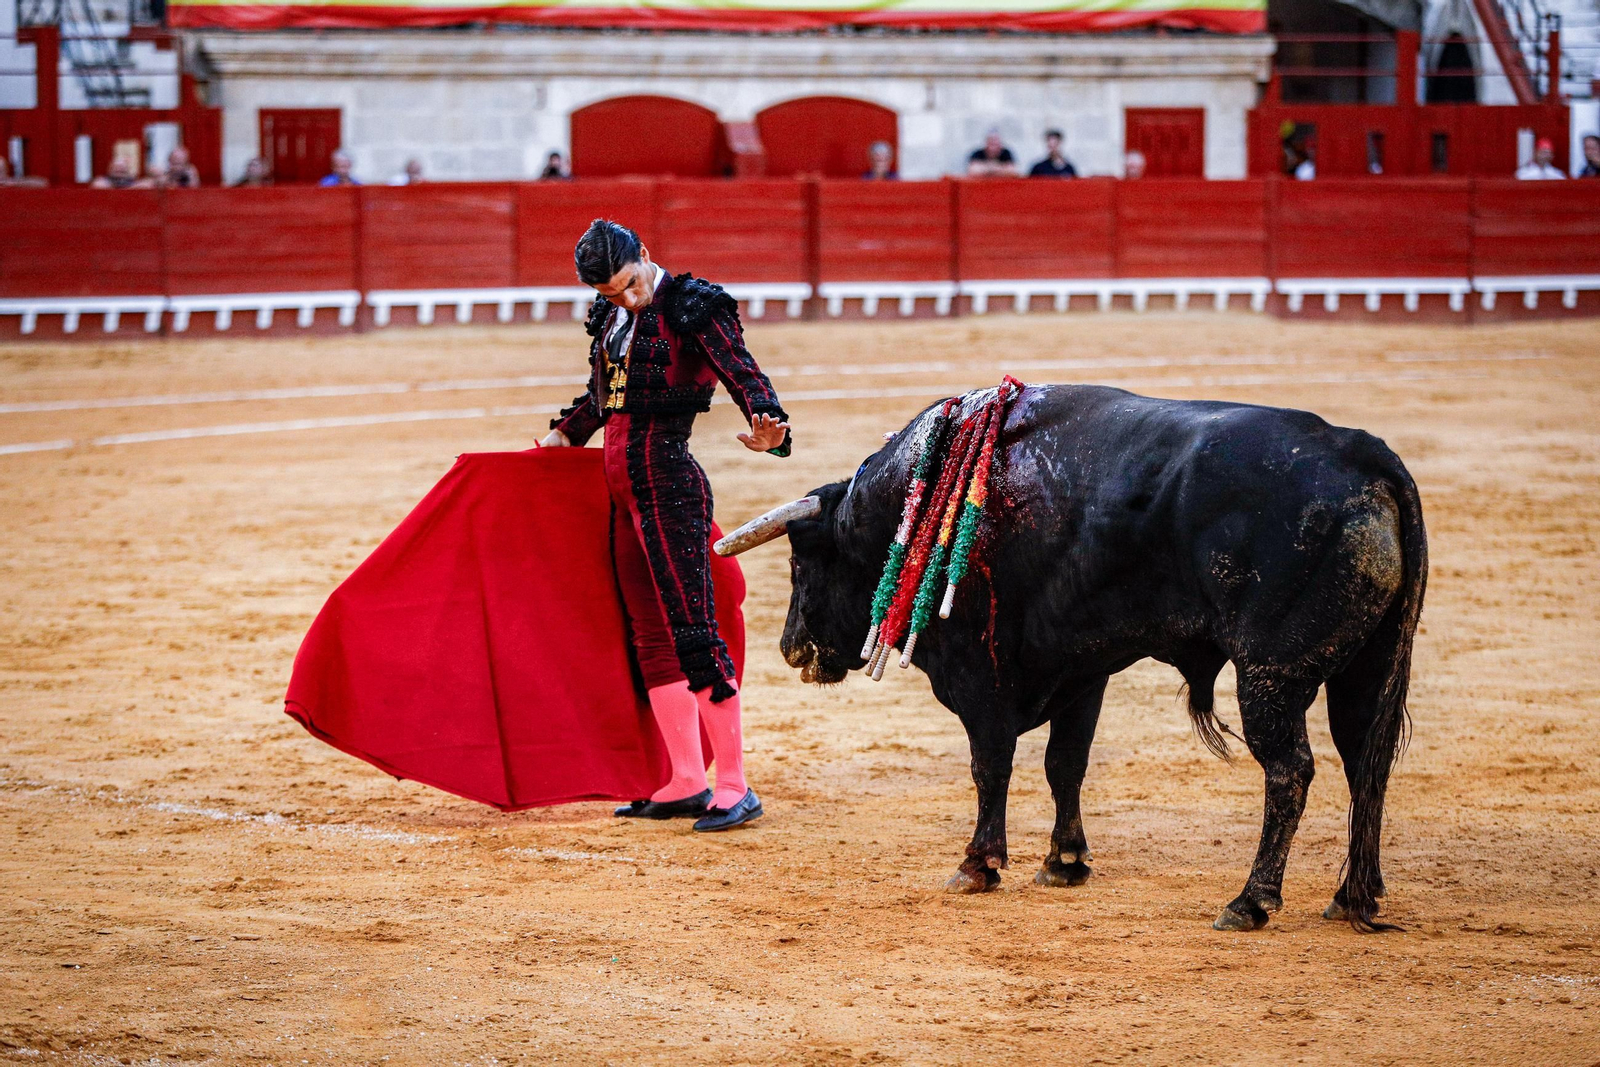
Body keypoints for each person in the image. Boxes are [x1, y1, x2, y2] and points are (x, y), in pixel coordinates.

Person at [540, 219, 790, 832]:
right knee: (650, 634)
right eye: (610, 293)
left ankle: (733, 785)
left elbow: (741, 369)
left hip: (670, 487)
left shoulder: (692, 305)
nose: (625, 299)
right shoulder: (611, 317)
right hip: (622, 492)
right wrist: (566, 434)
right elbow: (604, 397)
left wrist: (769, 424)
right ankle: (685, 780)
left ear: (645, 256)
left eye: (629, 284)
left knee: (694, 629)